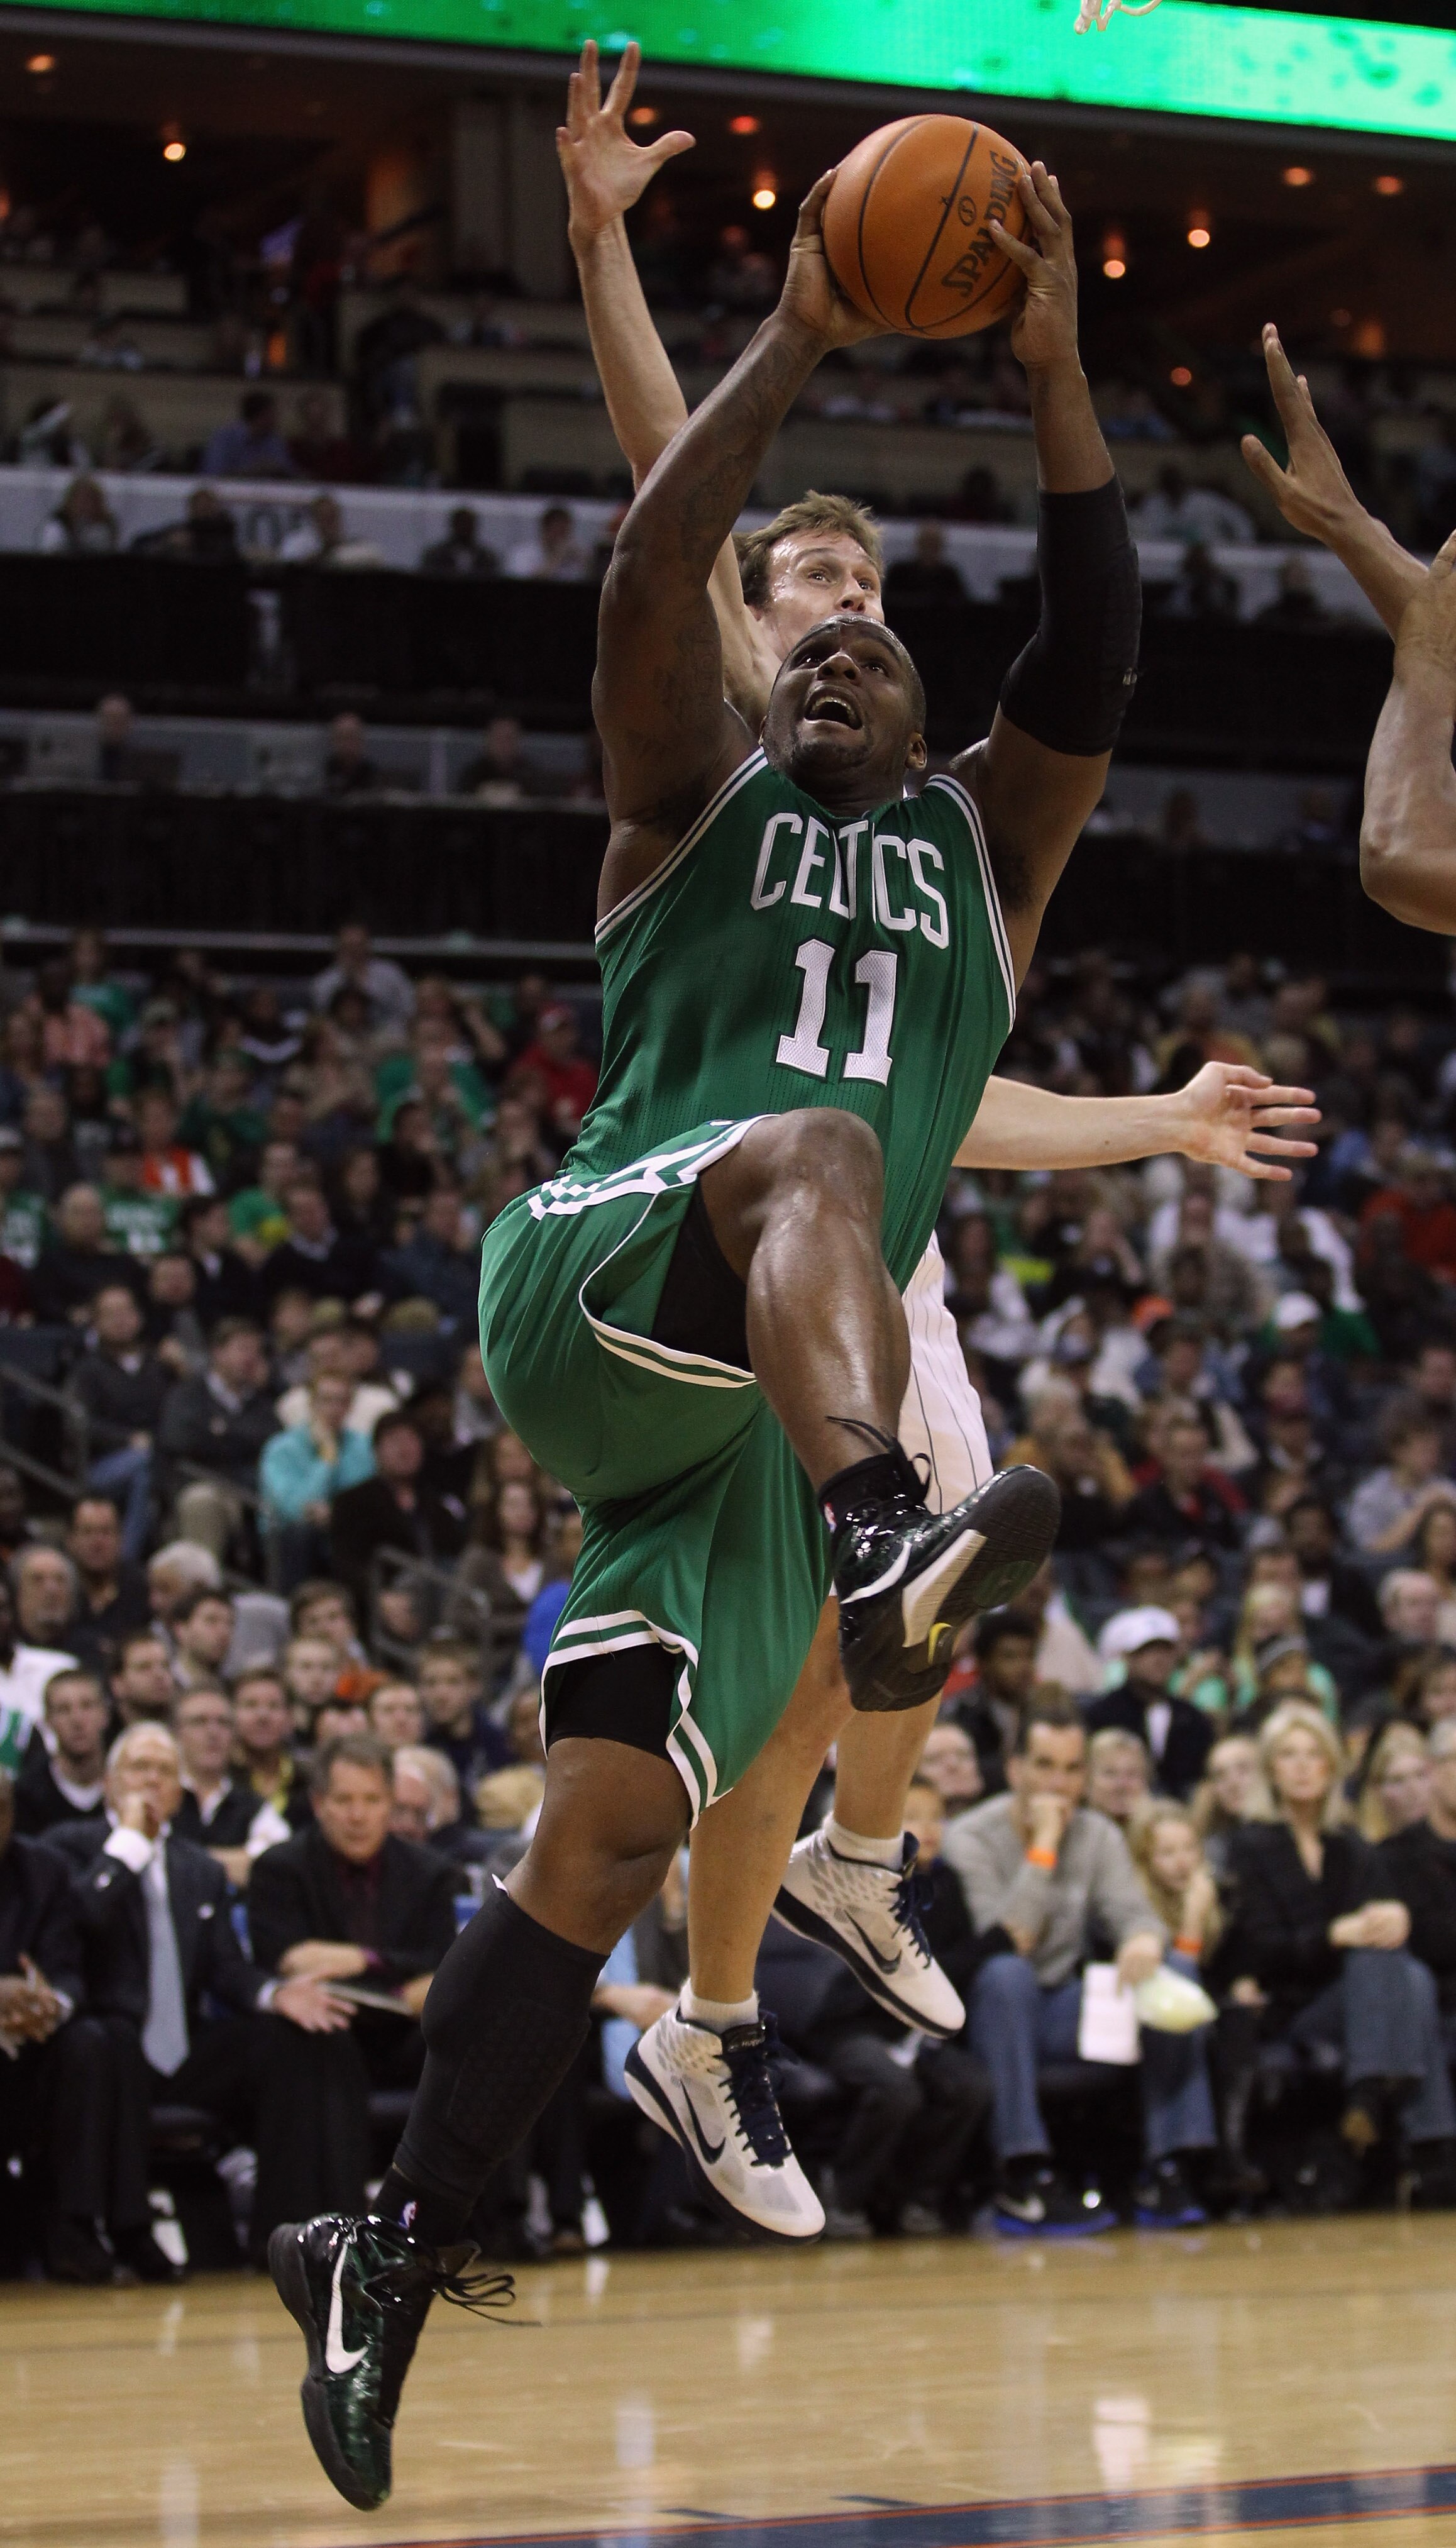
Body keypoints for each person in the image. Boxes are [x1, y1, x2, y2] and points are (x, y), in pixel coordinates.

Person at [268, 129, 1133, 2503]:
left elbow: (1091, 637)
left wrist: (1057, 375)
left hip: (742, 1438)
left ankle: (388, 2241)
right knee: (824, 1156)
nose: (831, 646)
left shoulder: (990, 859)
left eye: (872, 635)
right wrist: (797, 334)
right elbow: (661, 556)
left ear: (929, 703)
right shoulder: (685, 800)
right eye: (800, 641)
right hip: (604, 1271)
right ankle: (893, 1547)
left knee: (610, 1836)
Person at [542, 37, 1310, 2264]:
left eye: (871, 566)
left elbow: (945, 1103)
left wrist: (1157, 1117)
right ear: (755, 623)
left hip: (873, 1262)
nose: (846, 590)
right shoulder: (723, 733)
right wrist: (602, 236)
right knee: (829, 1626)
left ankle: (822, 1901)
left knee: (900, 1618)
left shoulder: (958, 832)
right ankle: (714, 1994)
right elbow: (658, 482)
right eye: (807, 576)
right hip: (719, 1241)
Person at [946, 1691, 1216, 2234]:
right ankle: (1023, 2173)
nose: (1058, 1784)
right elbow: (1007, 1939)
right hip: (990, 2014)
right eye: (1044, 1766)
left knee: (1176, 1974)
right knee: (1008, 1976)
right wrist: (1044, 1846)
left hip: (1061, 2010)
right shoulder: (969, 1837)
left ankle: (1168, 2167)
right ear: (1017, 1768)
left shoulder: (1098, 1834)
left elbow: (1137, 1917)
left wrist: (1142, 1942)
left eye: (1072, 1770)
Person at [1218, 1703, 1455, 2186]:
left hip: (1362, 2000)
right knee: (1398, 1973)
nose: (1303, 1766)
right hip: (1292, 2009)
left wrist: (1394, 1914)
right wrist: (1332, 1936)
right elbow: (1258, 1951)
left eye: (1314, 1755)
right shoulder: (1250, 1847)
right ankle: (1420, 2136)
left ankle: (1374, 2104)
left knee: (1403, 1969)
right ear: (1271, 1770)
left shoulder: (1350, 1845)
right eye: (1289, 1755)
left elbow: (1380, 1918)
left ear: (1331, 1766)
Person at [247, 1735, 459, 2224]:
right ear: (319, 1804)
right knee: (320, 2040)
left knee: (475, 2043)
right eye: (344, 1801)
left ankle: (475, 2225)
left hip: (404, 2033)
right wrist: (396, 1972)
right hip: (319, 2032)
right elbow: (287, 1959)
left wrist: (359, 1960)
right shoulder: (281, 1868)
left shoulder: (430, 1874)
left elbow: (442, 1960)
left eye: (372, 1801)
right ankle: (335, 2226)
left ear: (390, 1804)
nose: (358, 1815)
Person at [0, 1766, 116, 2283]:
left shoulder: (43, 1869)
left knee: (89, 2041)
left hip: (31, 2045)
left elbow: (68, 1971)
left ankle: (74, 2226)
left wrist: (51, 2003)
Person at [157, 1316, 277, 1562]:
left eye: (257, 1351)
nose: (251, 1358)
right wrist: (241, 1440)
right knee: (202, 1501)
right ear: (218, 1353)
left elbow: (274, 1445)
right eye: (243, 1348)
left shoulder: (263, 1403)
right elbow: (178, 1439)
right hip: (198, 1486)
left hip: (249, 1497)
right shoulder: (187, 1395)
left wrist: (222, 1432)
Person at [329, 1410, 466, 1615]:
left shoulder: (436, 1504)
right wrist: (380, 1597)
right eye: (395, 1441)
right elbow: (346, 1562)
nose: (405, 1449)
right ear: (376, 1451)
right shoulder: (352, 1502)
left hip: (438, 1597)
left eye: (412, 1440)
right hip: (379, 1602)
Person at [1086, 1608, 1215, 1802]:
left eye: (1166, 1650)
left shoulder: (1194, 1720)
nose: (1158, 1659)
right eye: (1147, 1651)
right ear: (1127, 1657)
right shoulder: (1100, 1715)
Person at [14, 1666, 109, 1836]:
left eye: (87, 1706)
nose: (77, 1720)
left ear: (104, 1714)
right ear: (47, 1721)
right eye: (64, 1710)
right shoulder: (26, 1795)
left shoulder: (127, 1784)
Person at [201, 390, 297, 480]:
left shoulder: (274, 440)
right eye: (273, 414)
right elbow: (213, 474)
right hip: (228, 495)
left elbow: (289, 472)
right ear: (262, 416)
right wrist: (254, 471)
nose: (277, 419)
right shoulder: (225, 438)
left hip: (267, 494)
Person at [420, 506, 499, 577]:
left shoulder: (487, 559)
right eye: (461, 524)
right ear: (454, 525)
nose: (464, 528)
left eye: (468, 524)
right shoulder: (435, 556)